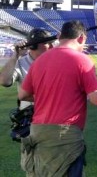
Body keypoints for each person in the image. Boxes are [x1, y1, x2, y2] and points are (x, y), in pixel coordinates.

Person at [18, 20, 97, 176]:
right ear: (81, 38)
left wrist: (47, 97)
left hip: (37, 129)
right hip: (65, 134)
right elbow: (96, 100)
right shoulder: (82, 60)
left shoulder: (39, 61)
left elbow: (22, 95)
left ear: (59, 36)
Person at [0, 28, 55, 176]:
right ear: (33, 46)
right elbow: (4, 81)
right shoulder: (21, 62)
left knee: (54, 163)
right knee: (32, 166)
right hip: (30, 120)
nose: (51, 46)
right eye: (47, 43)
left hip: (54, 118)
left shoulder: (55, 60)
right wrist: (15, 56)